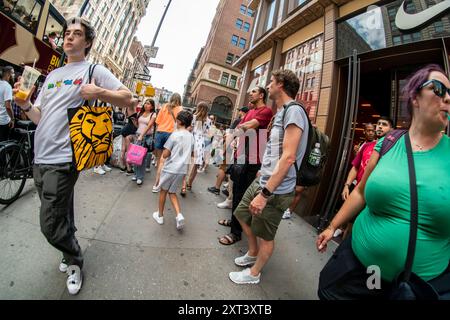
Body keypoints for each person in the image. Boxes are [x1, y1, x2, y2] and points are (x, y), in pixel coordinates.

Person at [13, 17, 132, 295]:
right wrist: (26, 104)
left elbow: (129, 99)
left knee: (50, 225)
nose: (69, 38)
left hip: (64, 159)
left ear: (87, 42)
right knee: (60, 211)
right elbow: (40, 118)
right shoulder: (53, 74)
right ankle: (68, 252)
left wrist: (98, 91)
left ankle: (75, 257)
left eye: (77, 34)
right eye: (67, 33)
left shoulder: (93, 70)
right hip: (40, 157)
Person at [316, 64, 450, 300]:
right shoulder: (388, 142)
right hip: (369, 271)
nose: (448, 98)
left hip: (419, 287)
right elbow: (361, 192)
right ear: (415, 97)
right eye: (439, 89)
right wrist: (332, 226)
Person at [228, 70, 308, 284]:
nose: (268, 85)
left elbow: (289, 156)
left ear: (281, 84)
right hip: (264, 179)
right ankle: (252, 253)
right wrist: (263, 170)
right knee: (241, 213)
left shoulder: (294, 111)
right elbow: (276, 149)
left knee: (266, 236)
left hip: (276, 190)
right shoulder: (282, 111)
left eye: (271, 82)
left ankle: (254, 274)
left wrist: (265, 194)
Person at [217, 86, 273, 246]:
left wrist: (235, 131)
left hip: (253, 158)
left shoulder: (266, 111)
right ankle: (235, 221)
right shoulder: (249, 111)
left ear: (261, 95)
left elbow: (245, 127)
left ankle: (236, 233)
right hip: (240, 156)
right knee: (235, 191)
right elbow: (239, 129)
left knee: (242, 194)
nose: (250, 93)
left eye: (254, 91)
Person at [338, 118, 393, 238]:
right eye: (378, 124)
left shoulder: (394, 151)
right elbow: (356, 167)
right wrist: (347, 185)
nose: (379, 127)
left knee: (364, 230)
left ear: (392, 129)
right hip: (359, 193)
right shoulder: (367, 146)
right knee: (350, 225)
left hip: (376, 198)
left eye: (384, 125)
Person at [152, 110, 194, 230]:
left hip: (170, 168)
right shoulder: (191, 136)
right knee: (172, 192)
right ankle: (179, 215)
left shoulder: (175, 134)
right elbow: (190, 152)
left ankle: (160, 215)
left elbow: (165, 154)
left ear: (179, 121)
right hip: (182, 170)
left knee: (163, 191)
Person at [215, 106, 249, 209]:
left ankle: (228, 197)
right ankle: (229, 196)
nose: (238, 112)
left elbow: (230, 134)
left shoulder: (239, 121)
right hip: (238, 150)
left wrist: (225, 149)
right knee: (231, 174)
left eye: (239, 111)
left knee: (228, 171)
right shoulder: (243, 121)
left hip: (237, 150)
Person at [152, 93, 183, 192]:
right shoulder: (180, 109)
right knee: (166, 160)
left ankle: (156, 184)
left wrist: (156, 133)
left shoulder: (164, 106)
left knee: (159, 160)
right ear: (179, 99)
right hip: (171, 135)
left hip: (160, 132)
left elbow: (157, 122)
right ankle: (163, 183)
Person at [181, 101, 211, 195]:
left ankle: (183, 185)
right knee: (196, 165)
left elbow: (189, 129)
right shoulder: (209, 121)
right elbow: (208, 133)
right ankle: (189, 184)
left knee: (187, 162)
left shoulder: (193, 117)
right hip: (201, 142)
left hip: (191, 139)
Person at [132, 98, 157, 185]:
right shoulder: (140, 113)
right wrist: (134, 122)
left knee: (142, 158)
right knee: (135, 156)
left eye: (148, 104)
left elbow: (149, 126)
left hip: (146, 137)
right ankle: (135, 174)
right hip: (137, 135)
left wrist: (142, 135)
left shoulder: (153, 115)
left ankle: (140, 177)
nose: (146, 105)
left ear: (152, 106)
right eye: (145, 103)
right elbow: (138, 126)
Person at [118, 97, 139, 175]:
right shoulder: (132, 107)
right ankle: (129, 168)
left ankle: (122, 166)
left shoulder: (128, 107)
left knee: (123, 149)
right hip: (130, 129)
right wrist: (138, 127)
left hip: (126, 129)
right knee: (128, 150)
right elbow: (135, 124)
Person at [0, 66, 14, 142]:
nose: (14, 75)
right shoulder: (7, 86)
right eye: (13, 73)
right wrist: (12, 119)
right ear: (8, 74)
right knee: (2, 146)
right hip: (3, 121)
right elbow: (8, 106)